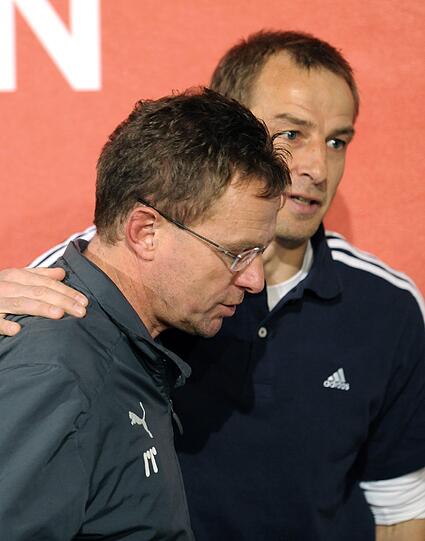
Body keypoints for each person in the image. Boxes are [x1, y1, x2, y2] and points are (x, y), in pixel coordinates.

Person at [0, 30, 424, 541]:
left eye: (337, 141)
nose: (315, 167)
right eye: (291, 134)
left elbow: (402, 508)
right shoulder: (96, 280)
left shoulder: (389, 308)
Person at [0, 88, 288, 539]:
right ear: (145, 232)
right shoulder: (57, 372)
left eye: (260, 253)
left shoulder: (121, 347)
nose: (255, 280)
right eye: (236, 254)